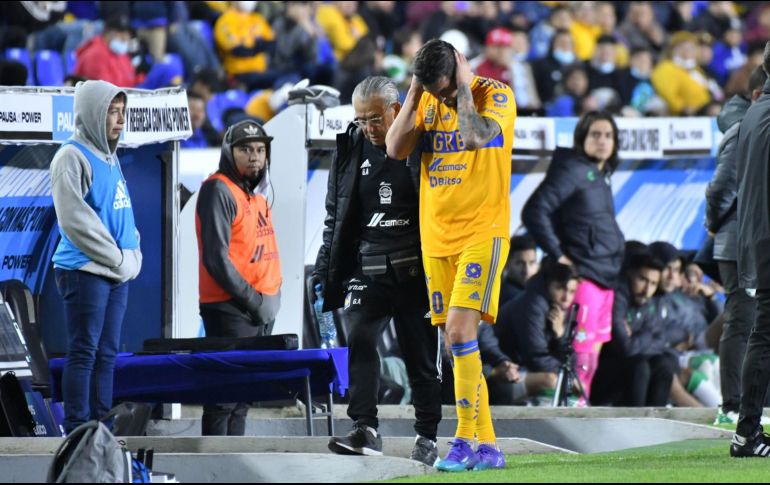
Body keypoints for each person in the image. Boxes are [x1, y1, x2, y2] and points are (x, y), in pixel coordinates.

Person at [386, 39, 517, 472]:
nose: (439, 99)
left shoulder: (495, 95)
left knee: (461, 333)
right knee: (457, 344)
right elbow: (394, 147)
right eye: (434, 92)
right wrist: (414, 92)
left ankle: (461, 440)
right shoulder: (424, 97)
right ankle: (489, 448)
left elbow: (475, 137)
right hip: (437, 238)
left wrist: (460, 89)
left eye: (443, 90)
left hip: (483, 232)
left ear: (460, 71)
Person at [315, 76, 442, 466]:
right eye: (361, 119)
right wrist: (326, 263)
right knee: (362, 341)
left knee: (420, 357)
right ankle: (365, 429)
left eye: (375, 119)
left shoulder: (424, 140)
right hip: (367, 267)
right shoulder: (351, 145)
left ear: (396, 109)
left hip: (416, 270)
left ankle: (427, 437)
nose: (368, 128)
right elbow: (336, 212)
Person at [50, 80, 142, 432]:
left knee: (107, 353)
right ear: (92, 114)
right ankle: (77, 429)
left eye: (122, 112)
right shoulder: (70, 157)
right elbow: (76, 222)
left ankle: (100, 425)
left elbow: (121, 213)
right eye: (111, 112)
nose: (119, 120)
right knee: (84, 351)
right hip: (84, 270)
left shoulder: (110, 156)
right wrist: (119, 260)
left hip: (116, 272)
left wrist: (133, 252)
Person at [522, 110, 625, 402]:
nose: (602, 141)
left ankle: (582, 409)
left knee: (591, 359)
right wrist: (559, 255)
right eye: (595, 134)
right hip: (586, 277)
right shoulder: (573, 169)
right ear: (582, 138)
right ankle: (572, 414)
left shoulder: (598, 174)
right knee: (579, 358)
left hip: (606, 278)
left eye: (608, 136)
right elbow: (534, 210)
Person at [195, 119, 281, 436]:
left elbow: (264, 251)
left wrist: (274, 296)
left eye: (260, 150)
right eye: (245, 150)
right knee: (224, 397)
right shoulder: (218, 189)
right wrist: (254, 301)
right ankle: (216, 471)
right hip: (230, 308)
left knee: (243, 397)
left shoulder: (257, 195)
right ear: (230, 153)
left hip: (260, 308)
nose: (255, 156)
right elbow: (215, 258)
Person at [706, 65, 768, 426]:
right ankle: (730, 405)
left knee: (753, 322)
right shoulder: (744, 129)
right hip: (736, 240)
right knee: (742, 321)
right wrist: (714, 225)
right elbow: (721, 187)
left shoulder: (751, 124)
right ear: (758, 95)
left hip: (746, 237)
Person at [731, 40, 770, 458]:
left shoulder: (756, 111)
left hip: (758, 235)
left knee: (764, 332)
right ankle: (746, 433)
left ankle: (747, 432)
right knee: (764, 334)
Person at [591, 249, 676, 406]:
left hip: (629, 366)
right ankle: (634, 426)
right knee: (639, 366)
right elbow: (625, 348)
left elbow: (661, 341)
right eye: (642, 279)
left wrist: (638, 336)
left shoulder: (649, 300)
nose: (646, 290)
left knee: (664, 365)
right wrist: (648, 335)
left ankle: (656, 425)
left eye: (653, 284)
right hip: (601, 374)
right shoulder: (616, 297)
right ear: (629, 273)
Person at [493, 259, 582, 404]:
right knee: (552, 381)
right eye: (560, 288)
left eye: (572, 291)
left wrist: (560, 335)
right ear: (547, 284)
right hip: (499, 375)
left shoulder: (559, 309)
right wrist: (568, 379)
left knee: (571, 386)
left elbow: (569, 361)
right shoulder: (532, 305)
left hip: (526, 372)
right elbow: (536, 357)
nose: (566, 297)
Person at [499, 235, 538, 306]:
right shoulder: (511, 297)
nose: (526, 271)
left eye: (532, 263)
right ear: (507, 263)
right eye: (520, 263)